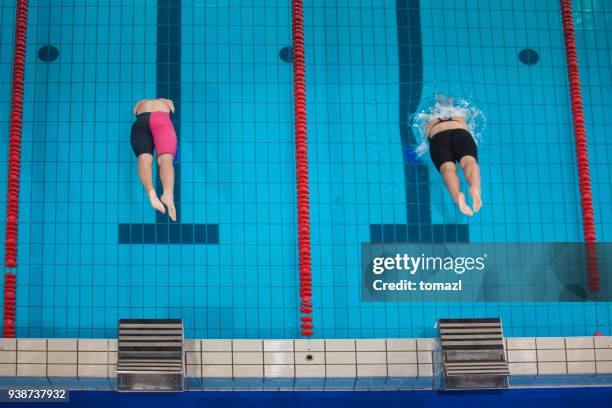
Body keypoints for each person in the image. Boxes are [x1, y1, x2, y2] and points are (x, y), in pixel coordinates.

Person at [425, 97, 482, 216]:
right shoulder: (459, 113)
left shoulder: (429, 117)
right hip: (460, 133)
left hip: (438, 135)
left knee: (447, 168)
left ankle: (457, 196)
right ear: (450, 103)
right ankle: (475, 189)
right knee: (469, 162)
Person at [131, 98, 177, 221]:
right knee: (165, 159)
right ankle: (167, 194)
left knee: (143, 158)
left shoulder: (139, 103)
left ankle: (150, 191)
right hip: (161, 120)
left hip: (140, 123)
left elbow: (134, 111)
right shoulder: (167, 101)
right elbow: (172, 108)